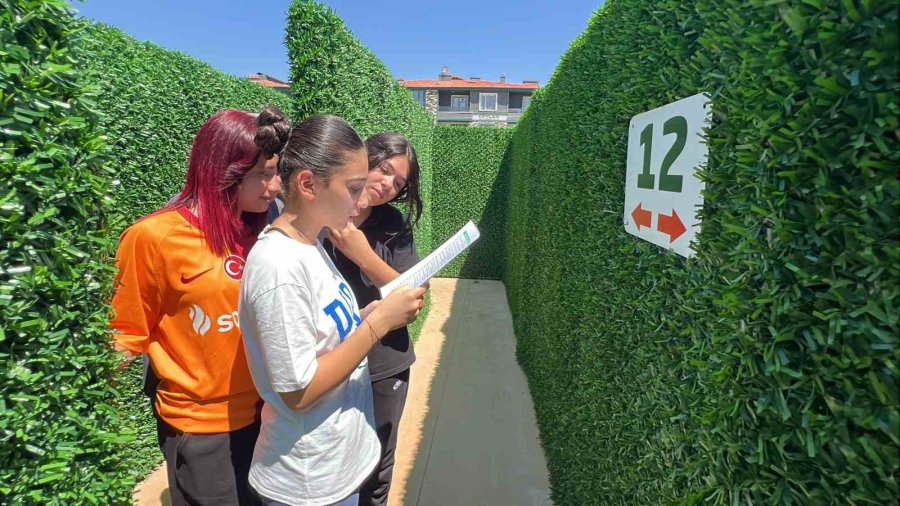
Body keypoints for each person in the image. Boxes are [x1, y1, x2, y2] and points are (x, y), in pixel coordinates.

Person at [238, 115, 426, 506]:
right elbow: (299, 391)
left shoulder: (311, 245)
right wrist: (377, 324)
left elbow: (321, 335)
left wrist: (364, 316)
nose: (362, 201)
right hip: (308, 480)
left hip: (335, 467)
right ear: (308, 185)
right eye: (353, 188)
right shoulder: (279, 267)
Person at [110, 106, 290, 505]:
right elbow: (125, 333)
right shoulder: (153, 238)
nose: (275, 186)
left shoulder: (262, 232)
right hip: (201, 428)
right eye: (263, 175)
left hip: (268, 416)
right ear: (224, 172)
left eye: (276, 172)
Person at [322, 132, 423, 506]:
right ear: (364, 157)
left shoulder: (393, 223)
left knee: (378, 467)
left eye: (398, 184)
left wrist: (362, 254)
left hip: (384, 362)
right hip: (327, 362)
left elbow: (412, 294)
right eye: (384, 170)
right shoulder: (321, 208)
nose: (387, 185)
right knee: (331, 464)